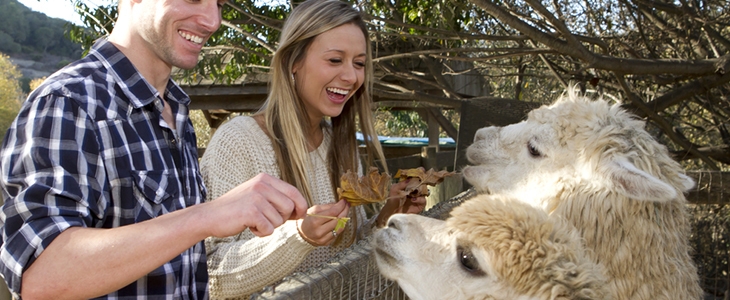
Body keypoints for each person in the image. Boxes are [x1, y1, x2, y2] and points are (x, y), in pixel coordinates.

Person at [0, 0, 308, 299]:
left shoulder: (176, 113)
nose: (213, 21)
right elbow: (41, 277)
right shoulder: (69, 101)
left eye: (219, 4)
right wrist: (206, 216)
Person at [200, 0, 427, 298]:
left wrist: (386, 216)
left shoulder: (340, 148)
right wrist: (298, 237)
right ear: (293, 61)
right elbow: (210, 275)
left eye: (359, 63)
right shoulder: (238, 142)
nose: (351, 77)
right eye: (335, 60)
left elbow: (344, 260)